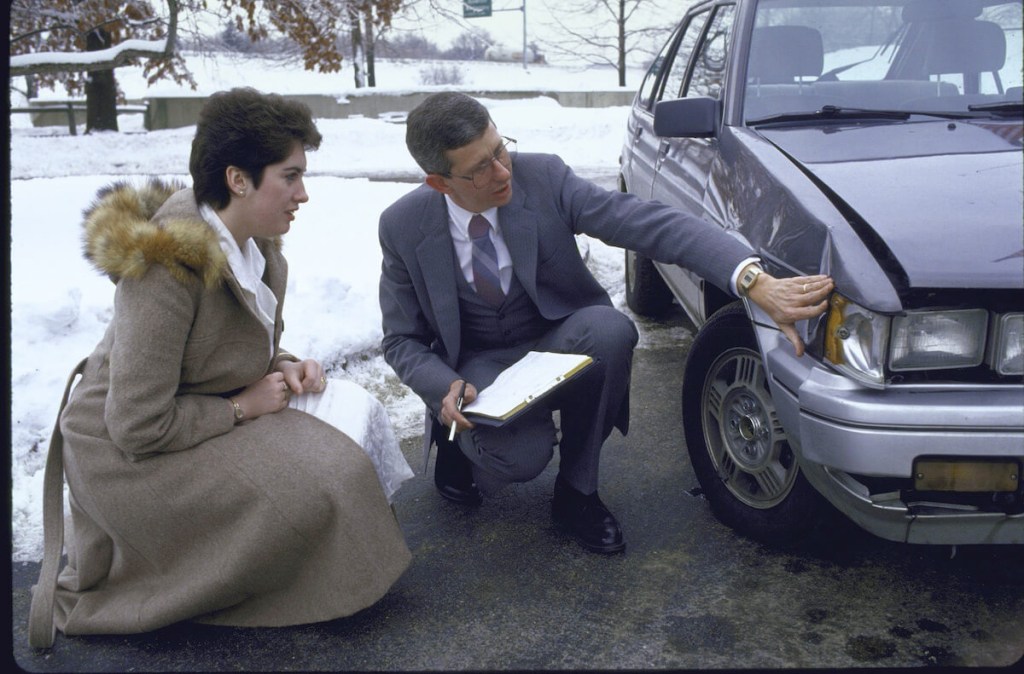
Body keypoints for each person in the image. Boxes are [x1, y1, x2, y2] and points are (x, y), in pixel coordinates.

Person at [28, 88, 412, 649]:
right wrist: (240, 406)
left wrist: (283, 364)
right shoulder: (166, 268)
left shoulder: (256, 244)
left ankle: (318, 563)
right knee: (311, 487)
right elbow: (136, 425)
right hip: (126, 455)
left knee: (356, 412)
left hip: (188, 414)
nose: (303, 194)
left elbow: (213, 349)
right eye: (290, 176)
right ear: (238, 179)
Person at [377, 92, 832, 555]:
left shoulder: (544, 177)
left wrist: (750, 278)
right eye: (479, 168)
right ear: (439, 183)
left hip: (555, 340)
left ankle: (578, 493)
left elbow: (644, 222)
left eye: (500, 148)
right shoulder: (402, 226)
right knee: (520, 458)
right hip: (477, 365)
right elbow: (401, 339)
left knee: (610, 330)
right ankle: (458, 445)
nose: (502, 171)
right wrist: (445, 387)